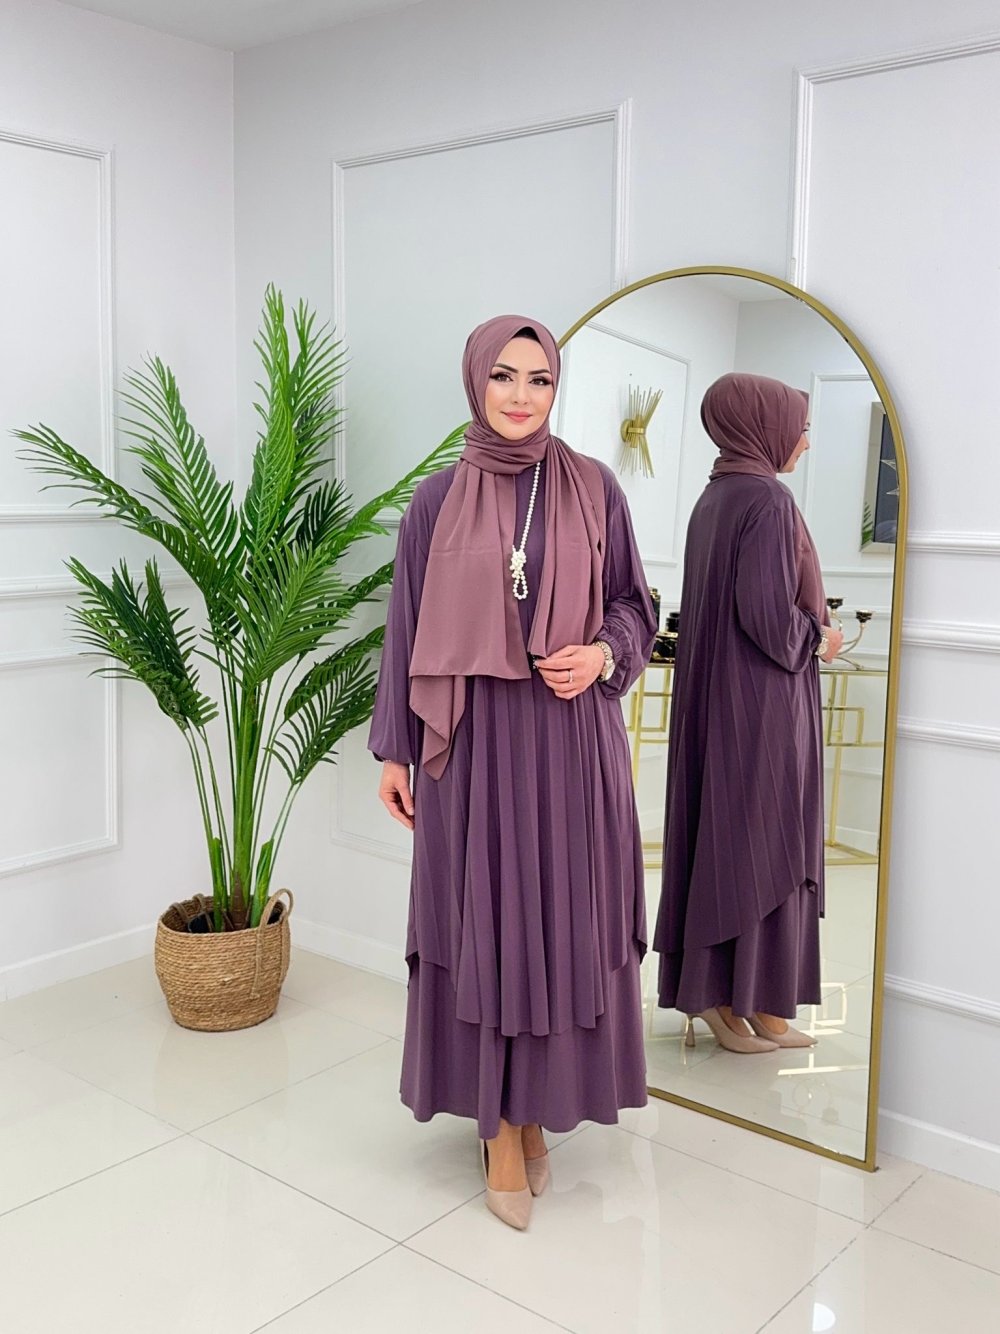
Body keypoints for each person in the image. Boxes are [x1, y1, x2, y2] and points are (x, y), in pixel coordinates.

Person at [368, 315, 656, 1229]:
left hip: (572, 742)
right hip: (474, 748)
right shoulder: (436, 501)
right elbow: (406, 629)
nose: (522, 396)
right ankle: (497, 1127)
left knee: (561, 924)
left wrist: (603, 655)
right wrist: (395, 750)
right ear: (475, 382)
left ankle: (534, 1107)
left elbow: (635, 604)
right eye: (503, 376)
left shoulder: (594, 486)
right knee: (486, 925)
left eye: (539, 378)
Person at [653, 372, 843, 1054]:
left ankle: (743, 998)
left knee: (729, 838)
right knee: (768, 842)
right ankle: (736, 998)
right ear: (763, 425)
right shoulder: (766, 498)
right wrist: (819, 637)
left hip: (720, 702)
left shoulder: (715, 499)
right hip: (762, 706)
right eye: (801, 427)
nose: (805, 443)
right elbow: (768, 616)